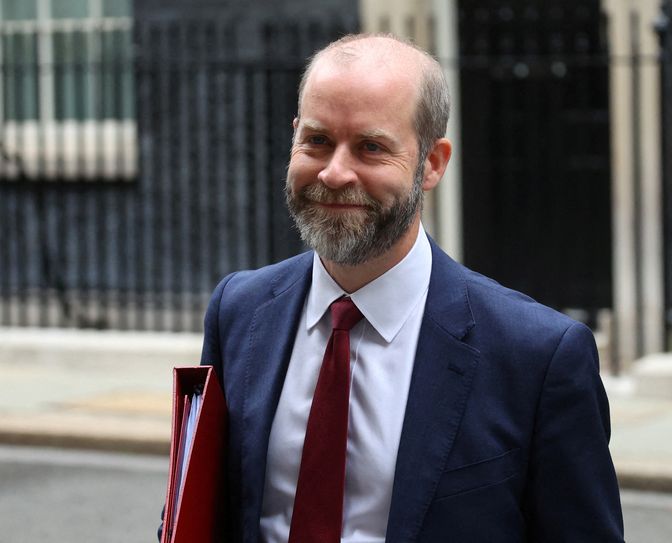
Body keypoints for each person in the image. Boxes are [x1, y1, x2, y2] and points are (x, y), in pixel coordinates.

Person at [198, 33, 623, 542]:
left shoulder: (538, 357)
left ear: (433, 163)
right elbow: (198, 512)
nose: (334, 173)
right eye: (317, 141)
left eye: (371, 147)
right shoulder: (239, 311)